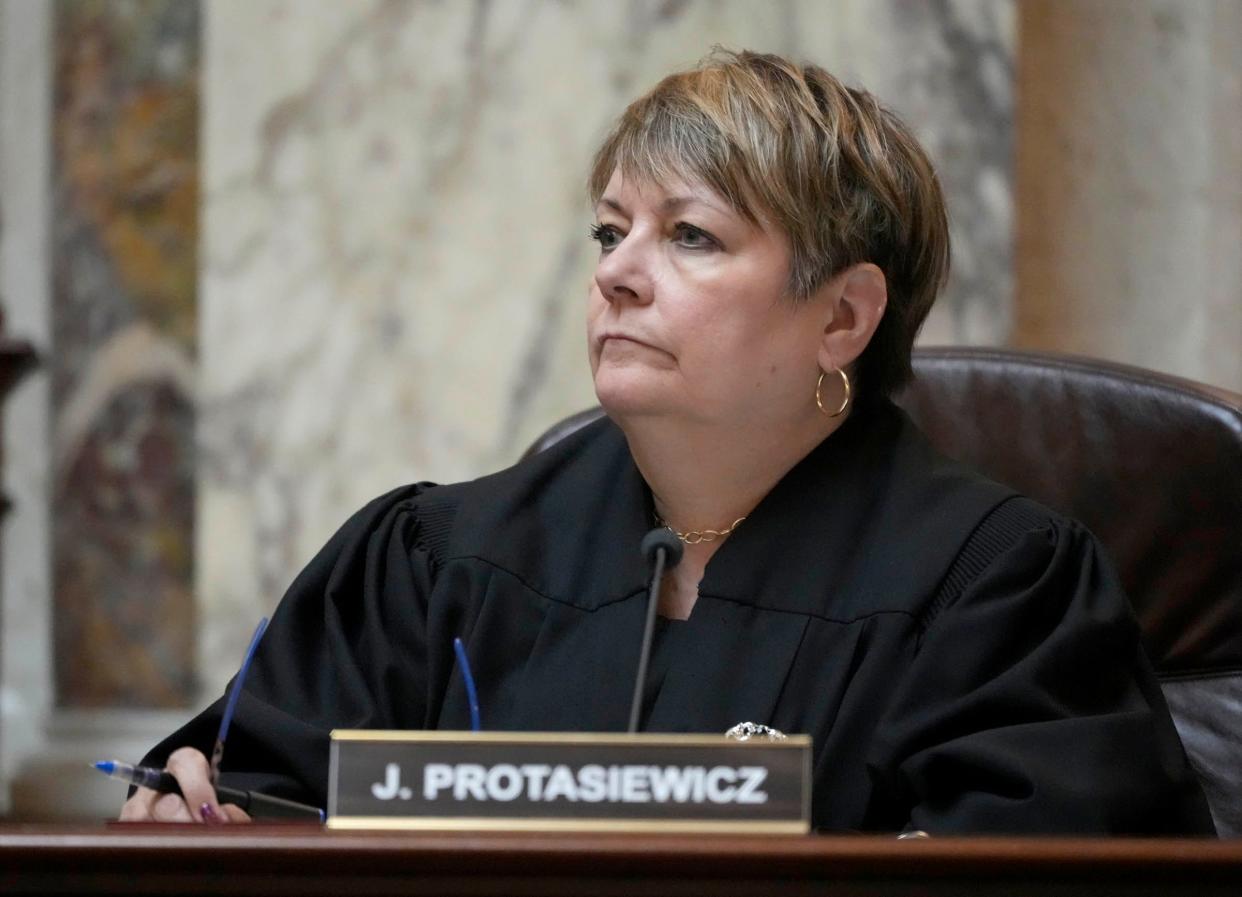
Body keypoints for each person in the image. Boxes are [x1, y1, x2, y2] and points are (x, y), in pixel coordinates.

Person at [121, 49, 1214, 834]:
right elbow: (247, 800)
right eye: (612, 230)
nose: (616, 272)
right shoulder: (432, 564)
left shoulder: (996, 593)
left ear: (842, 317)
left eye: (690, 234)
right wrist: (186, 815)